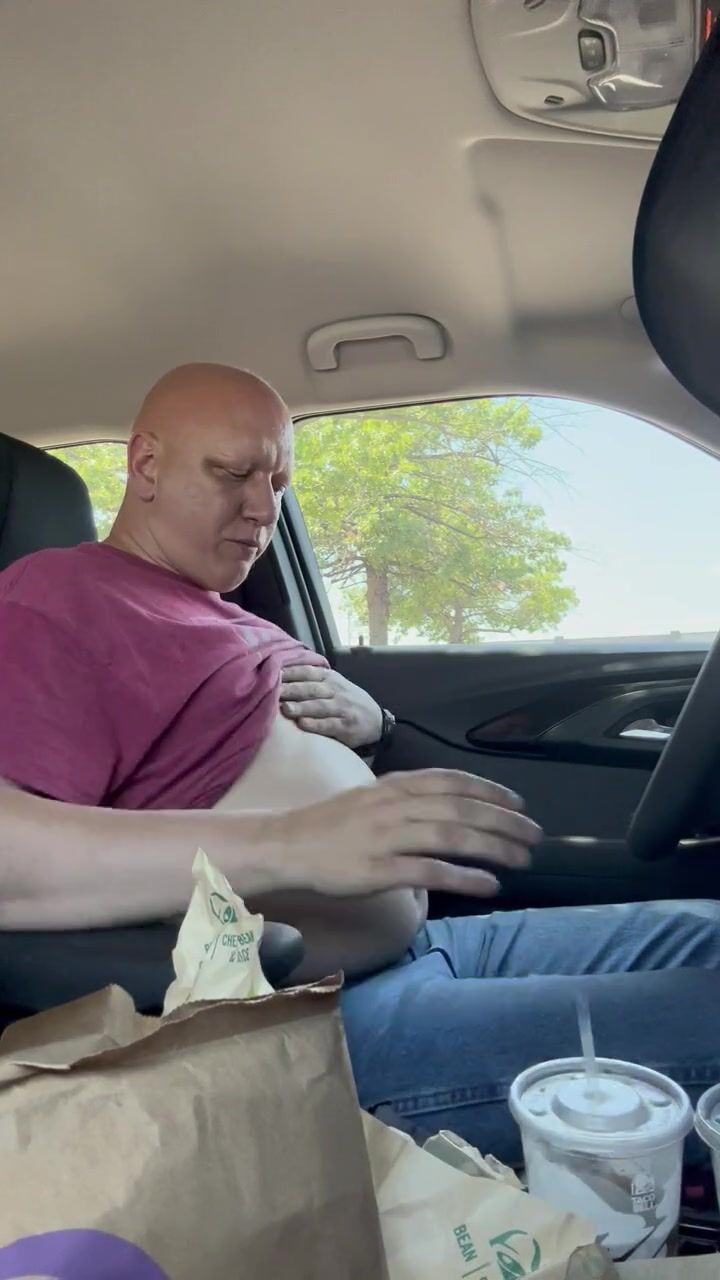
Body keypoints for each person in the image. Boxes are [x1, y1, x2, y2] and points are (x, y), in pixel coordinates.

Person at [1, 363, 719, 1167]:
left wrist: (374, 727)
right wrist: (292, 842)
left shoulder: (223, 616)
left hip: (418, 950)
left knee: (710, 929)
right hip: (300, 1024)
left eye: (277, 483)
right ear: (146, 465)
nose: (262, 509)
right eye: (233, 473)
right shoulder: (58, 598)